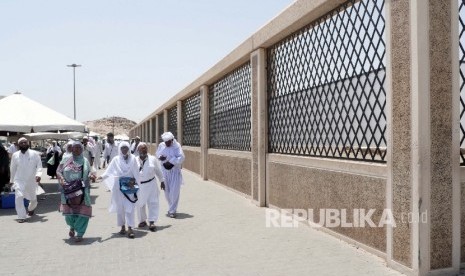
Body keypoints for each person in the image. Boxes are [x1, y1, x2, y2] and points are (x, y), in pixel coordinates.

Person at [99, 142, 141, 238]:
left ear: (129, 148)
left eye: (126, 148)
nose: (124, 150)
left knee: (130, 207)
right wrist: (101, 177)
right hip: (118, 187)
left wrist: (137, 183)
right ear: (120, 149)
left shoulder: (133, 159)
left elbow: (136, 172)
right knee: (120, 207)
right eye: (122, 148)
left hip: (130, 186)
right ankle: (122, 226)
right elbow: (108, 171)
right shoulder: (116, 159)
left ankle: (130, 227)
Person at [56, 141, 96, 242]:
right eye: (75, 147)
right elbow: (58, 171)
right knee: (69, 213)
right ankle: (72, 226)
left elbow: (90, 171)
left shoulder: (85, 160)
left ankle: (80, 234)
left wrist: (91, 175)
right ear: (71, 149)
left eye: (79, 147)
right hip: (68, 190)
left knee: (83, 211)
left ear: (82, 149)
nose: (77, 149)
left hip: (82, 190)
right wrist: (61, 178)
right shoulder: (65, 159)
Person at [9, 137, 42, 223]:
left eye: (25, 142)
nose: (23, 144)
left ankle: (31, 209)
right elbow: (12, 168)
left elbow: (39, 166)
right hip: (19, 180)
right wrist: (11, 181)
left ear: (28, 143)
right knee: (19, 197)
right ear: (18, 145)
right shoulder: (15, 155)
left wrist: (38, 175)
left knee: (33, 200)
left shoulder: (34, 154)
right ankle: (21, 216)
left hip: (31, 180)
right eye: (21, 143)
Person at [136, 143, 164, 231]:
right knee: (140, 204)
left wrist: (162, 181)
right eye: (142, 149)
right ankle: (142, 220)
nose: (144, 150)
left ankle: (152, 221)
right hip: (140, 185)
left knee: (153, 202)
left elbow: (158, 171)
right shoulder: (134, 160)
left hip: (151, 184)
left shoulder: (153, 159)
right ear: (138, 150)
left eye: (145, 149)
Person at [156, 132, 185, 218]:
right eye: (165, 142)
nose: (167, 144)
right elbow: (157, 154)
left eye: (168, 142)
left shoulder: (177, 146)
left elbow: (182, 157)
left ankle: (172, 210)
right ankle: (171, 207)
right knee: (167, 191)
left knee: (174, 191)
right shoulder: (161, 145)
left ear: (172, 140)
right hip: (164, 171)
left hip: (174, 171)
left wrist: (171, 161)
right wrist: (160, 157)